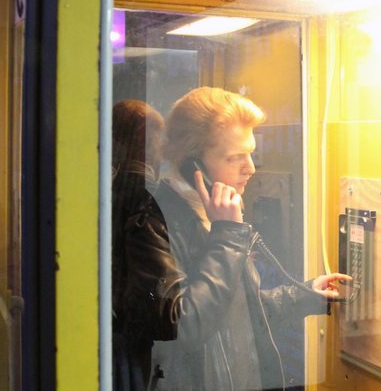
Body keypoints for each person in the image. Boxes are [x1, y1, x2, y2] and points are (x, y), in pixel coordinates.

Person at [150, 87, 350, 390]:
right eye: (235, 158)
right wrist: (227, 237)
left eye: (251, 153)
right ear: (192, 165)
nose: (251, 169)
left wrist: (305, 294)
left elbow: (236, 314)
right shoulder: (157, 222)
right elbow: (184, 325)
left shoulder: (217, 216)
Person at [110, 99, 184, 391]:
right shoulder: (150, 197)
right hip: (136, 338)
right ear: (146, 137)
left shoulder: (111, 189)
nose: (164, 144)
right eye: (159, 134)